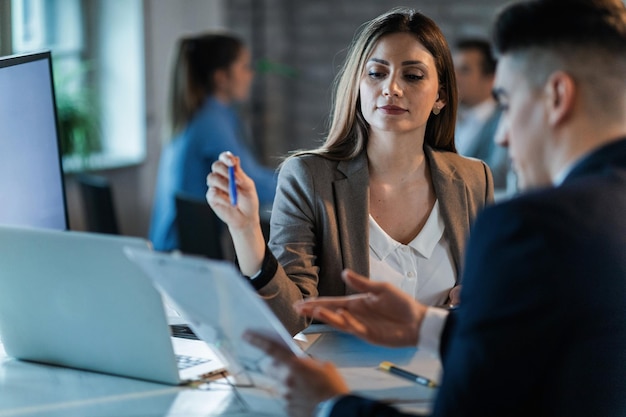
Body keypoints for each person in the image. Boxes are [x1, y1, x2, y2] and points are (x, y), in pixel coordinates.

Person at [243, 0, 626, 416]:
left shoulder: (521, 220)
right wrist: (428, 325)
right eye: (376, 73)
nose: (501, 135)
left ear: (557, 96)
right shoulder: (309, 175)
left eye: (508, 102)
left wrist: (328, 404)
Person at [207, 8, 494, 335]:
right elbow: (289, 320)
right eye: (376, 73)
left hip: (446, 377)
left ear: (440, 96)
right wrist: (246, 231)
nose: (391, 88)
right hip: (342, 379)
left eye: (412, 76)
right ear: (358, 85)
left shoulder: (474, 180)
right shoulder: (307, 178)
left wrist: (481, 298)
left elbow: (491, 298)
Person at [150, 32, 277, 252]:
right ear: (221, 77)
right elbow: (250, 181)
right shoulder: (211, 122)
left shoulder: (199, 115)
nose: (251, 74)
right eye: (244, 67)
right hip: (183, 255)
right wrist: (303, 187)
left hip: (169, 245)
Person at [454, 38, 512, 196]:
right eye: (454, 69)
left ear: (491, 78)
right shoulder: (448, 119)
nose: (455, 77)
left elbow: (499, 175)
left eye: (464, 70)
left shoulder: (505, 119)